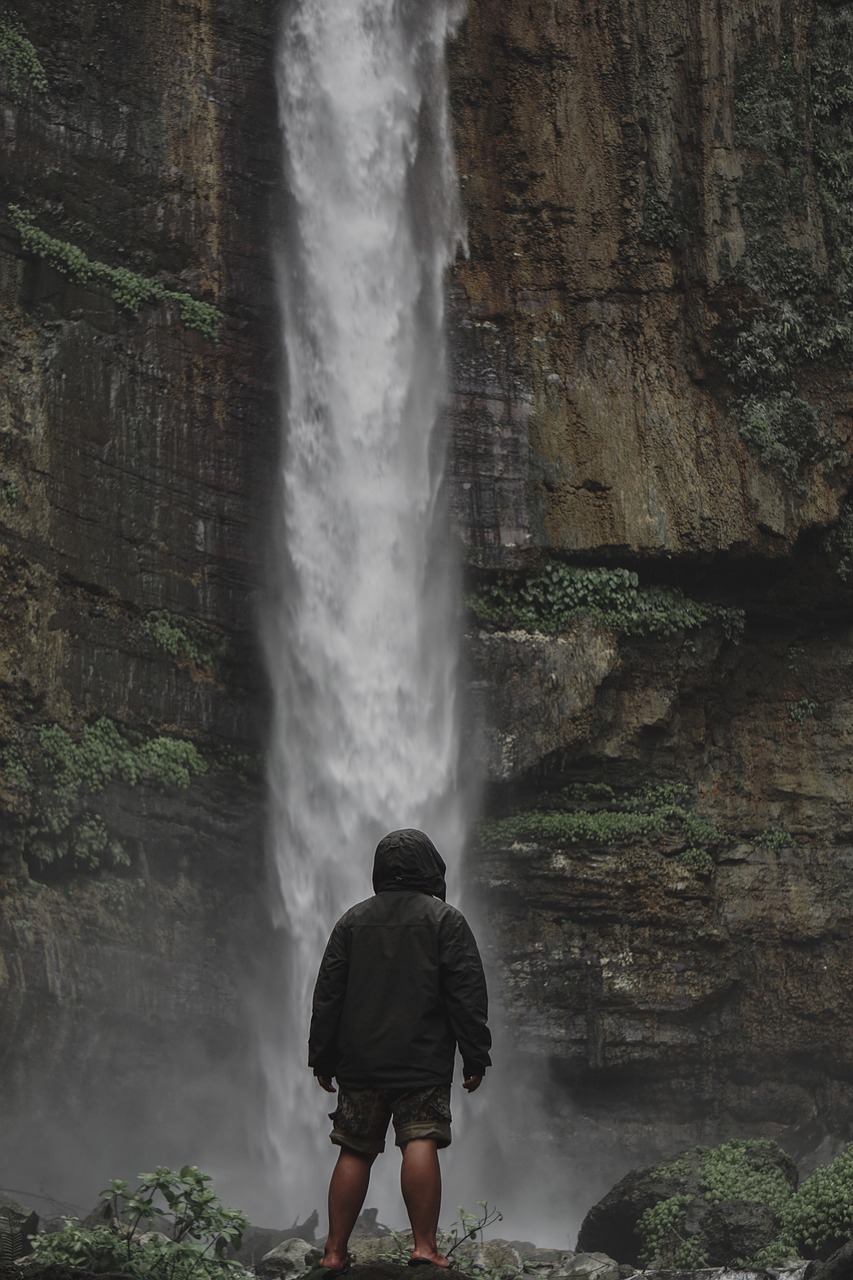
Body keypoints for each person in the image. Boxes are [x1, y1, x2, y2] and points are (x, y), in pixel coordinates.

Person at [308, 828, 492, 1274]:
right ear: (430, 867)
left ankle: (334, 1252)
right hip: (421, 1062)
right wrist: (475, 1055)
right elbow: (465, 994)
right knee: (421, 1138)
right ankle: (424, 1247)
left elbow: (328, 994)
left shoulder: (351, 922)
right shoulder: (445, 920)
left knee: (354, 1149)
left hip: (361, 1063)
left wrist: (322, 1056)